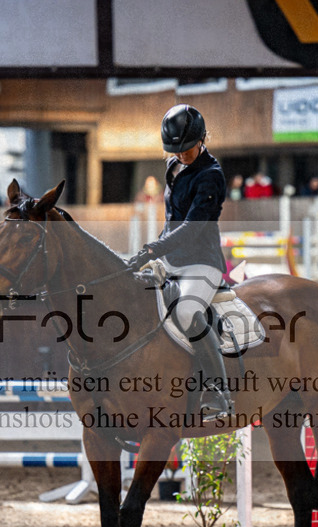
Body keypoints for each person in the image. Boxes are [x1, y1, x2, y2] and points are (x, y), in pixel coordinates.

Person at [124, 104, 232, 420]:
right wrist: (148, 256)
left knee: (186, 310)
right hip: (172, 257)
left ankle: (218, 390)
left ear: (202, 139)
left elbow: (191, 229)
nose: (181, 155)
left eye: (187, 149)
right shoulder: (173, 166)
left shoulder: (212, 176)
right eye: (176, 150)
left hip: (202, 261)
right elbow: (173, 220)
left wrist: (152, 249)